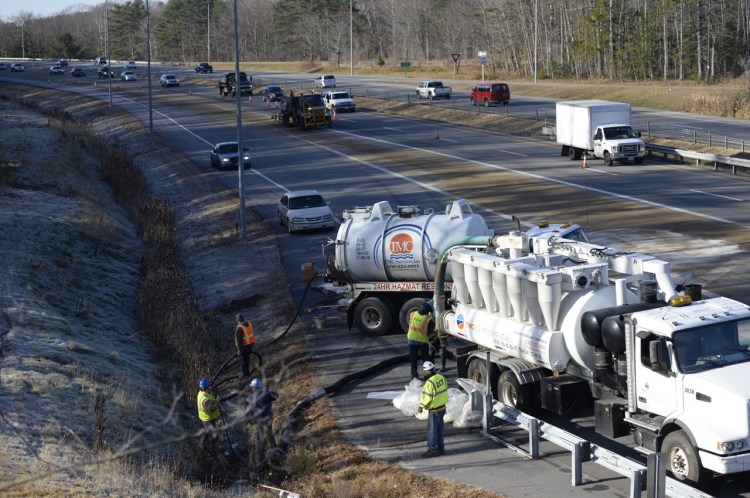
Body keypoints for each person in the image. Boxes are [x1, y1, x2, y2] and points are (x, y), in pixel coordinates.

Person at [245, 378, 279, 470]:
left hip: (257, 422)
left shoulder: (249, 398)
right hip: (267, 420)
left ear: (253, 388)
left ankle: (259, 460)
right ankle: (275, 450)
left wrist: (250, 420)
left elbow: (247, 412)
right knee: (270, 434)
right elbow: (276, 396)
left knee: (259, 440)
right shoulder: (267, 394)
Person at [417, 361, 448, 458]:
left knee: (432, 431)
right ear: (433, 369)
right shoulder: (441, 377)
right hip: (442, 407)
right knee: (440, 429)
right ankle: (441, 448)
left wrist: (421, 407)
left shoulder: (429, 383)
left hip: (434, 410)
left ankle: (432, 450)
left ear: (426, 371)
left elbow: (427, 397)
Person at [407, 300, 434, 380]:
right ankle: (429, 375)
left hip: (411, 339)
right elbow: (430, 331)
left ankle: (414, 376)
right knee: (426, 359)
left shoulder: (413, 313)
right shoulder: (428, 318)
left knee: (413, 359)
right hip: (422, 341)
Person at [234, 313, 256, 377]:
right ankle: (246, 371)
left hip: (244, 347)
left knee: (244, 361)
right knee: (247, 359)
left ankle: (246, 374)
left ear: (237, 320)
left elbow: (239, 342)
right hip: (250, 345)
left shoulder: (239, 328)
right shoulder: (249, 324)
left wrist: (239, 350)